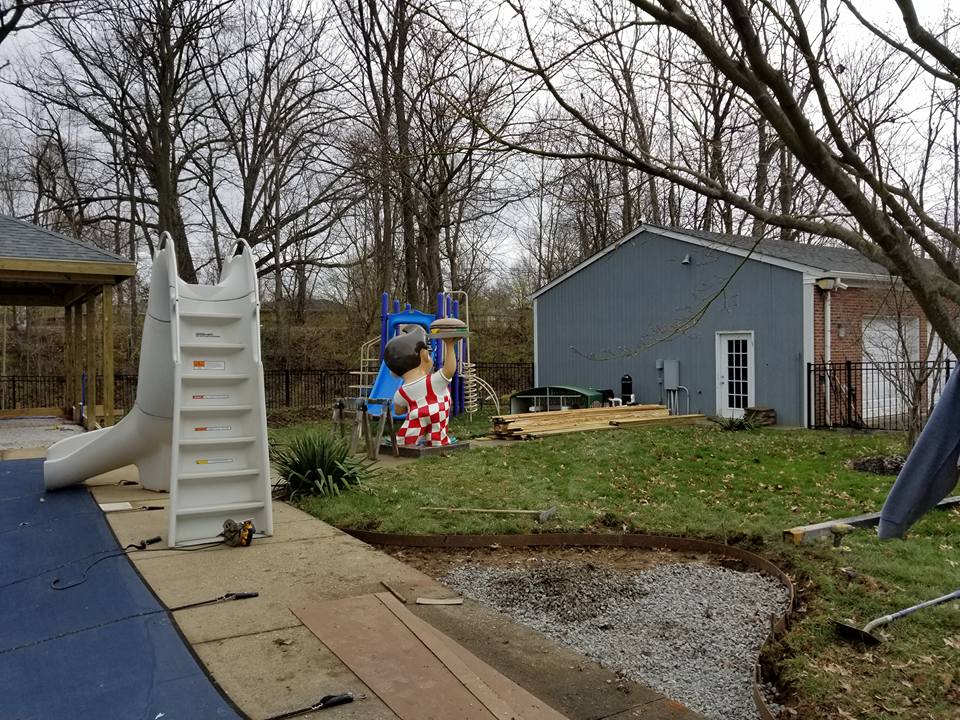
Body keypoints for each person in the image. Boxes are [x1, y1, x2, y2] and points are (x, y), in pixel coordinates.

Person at [383, 326, 459, 447]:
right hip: (438, 413)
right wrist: (450, 346)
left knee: (409, 433)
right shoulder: (434, 381)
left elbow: (398, 411)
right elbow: (449, 370)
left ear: (393, 372)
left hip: (416, 416)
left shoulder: (402, 392)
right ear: (424, 355)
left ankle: (405, 442)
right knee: (438, 431)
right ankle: (437, 441)